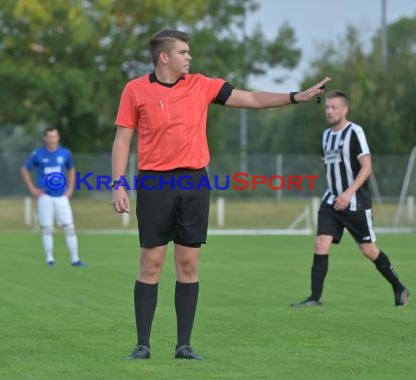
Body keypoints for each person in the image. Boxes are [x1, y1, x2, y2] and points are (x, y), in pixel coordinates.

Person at [111, 28, 330, 360]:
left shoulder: (202, 85)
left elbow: (253, 99)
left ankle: (183, 346)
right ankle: (142, 345)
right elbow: (122, 140)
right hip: (154, 184)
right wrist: (118, 184)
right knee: (151, 262)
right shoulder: (135, 90)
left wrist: (294, 96)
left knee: (188, 264)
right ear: (164, 56)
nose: (189, 57)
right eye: (183, 52)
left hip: (194, 183)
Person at [291, 91, 409, 309]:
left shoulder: (355, 132)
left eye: (334, 107)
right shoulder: (326, 136)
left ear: (345, 109)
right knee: (320, 243)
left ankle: (399, 286)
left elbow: (366, 167)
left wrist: (348, 193)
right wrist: (338, 193)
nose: (329, 111)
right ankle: (315, 297)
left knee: (368, 250)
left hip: (355, 202)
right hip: (332, 201)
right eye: (327, 107)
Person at [21, 126, 86, 267]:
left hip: (61, 196)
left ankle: (75, 259)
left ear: (58, 137)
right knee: (47, 228)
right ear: (45, 138)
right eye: (49, 136)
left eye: (54, 136)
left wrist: (70, 189)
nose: (52, 139)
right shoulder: (38, 154)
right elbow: (25, 169)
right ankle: (49, 258)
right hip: (45, 196)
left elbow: (71, 170)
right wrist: (33, 188)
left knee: (69, 227)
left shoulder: (65, 153)